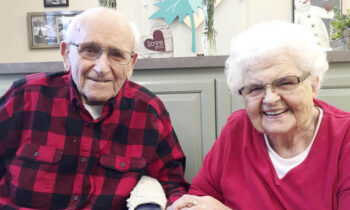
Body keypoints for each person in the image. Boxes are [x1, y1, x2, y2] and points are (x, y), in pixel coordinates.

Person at [0, 7, 189, 209]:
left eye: (116, 55)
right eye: (90, 50)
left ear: (131, 64)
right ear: (66, 54)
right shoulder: (25, 97)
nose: (102, 68)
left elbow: (171, 183)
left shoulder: (149, 111)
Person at [168, 21, 350, 209]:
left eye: (286, 83)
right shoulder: (237, 129)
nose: (270, 99)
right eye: (255, 88)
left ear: (313, 85)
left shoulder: (344, 137)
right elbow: (200, 197)